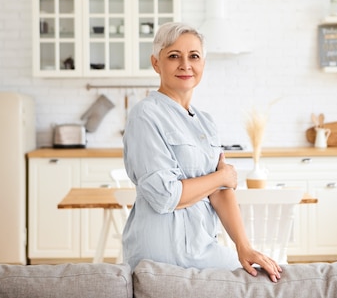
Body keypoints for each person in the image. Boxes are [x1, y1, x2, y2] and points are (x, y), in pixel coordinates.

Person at [121, 22, 282, 282]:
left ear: (203, 64)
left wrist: (244, 246)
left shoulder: (205, 122)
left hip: (202, 249)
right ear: (156, 63)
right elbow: (165, 196)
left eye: (193, 56)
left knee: (268, 276)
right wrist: (222, 177)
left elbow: (220, 194)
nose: (185, 64)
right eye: (174, 56)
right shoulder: (145, 115)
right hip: (161, 255)